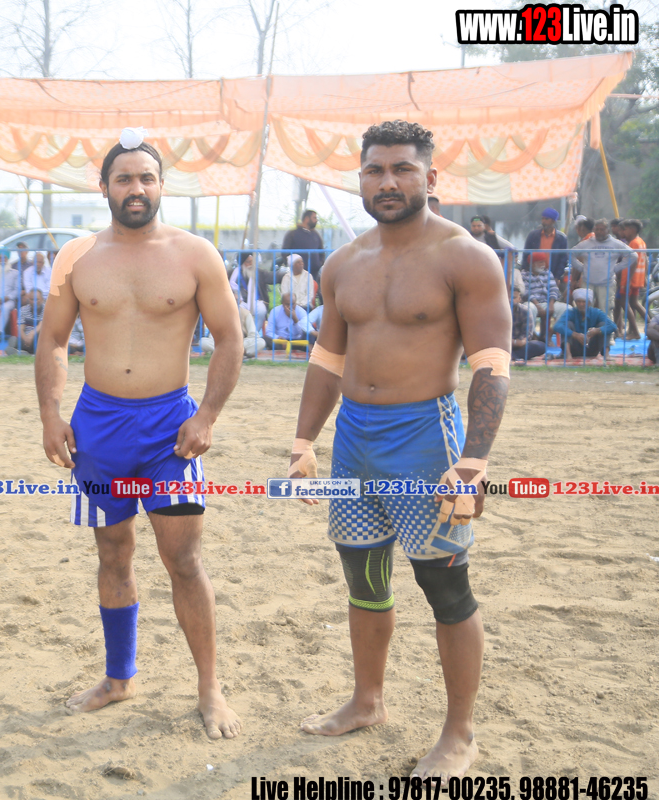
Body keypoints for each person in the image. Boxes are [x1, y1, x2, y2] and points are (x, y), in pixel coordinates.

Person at [289, 120, 511, 779]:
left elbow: (492, 366)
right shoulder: (342, 263)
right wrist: (303, 442)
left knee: (445, 586)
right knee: (363, 577)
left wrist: (473, 463)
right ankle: (368, 701)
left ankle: (460, 735)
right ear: (360, 179)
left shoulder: (465, 257)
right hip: (354, 440)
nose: (387, 182)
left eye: (402, 169)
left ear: (430, 178)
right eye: (375, 170)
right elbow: (328, 360)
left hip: (426, 439)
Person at [34, 130, 243, 740]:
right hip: (98, 428)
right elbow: (52, 340)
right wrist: (50, 413)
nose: (136, 188)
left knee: (183, 559)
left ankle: (210, 688)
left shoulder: (195, 254)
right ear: (104, 187)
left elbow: (230, 339)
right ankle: (118, 676)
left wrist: (207, 415)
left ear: (161, 186)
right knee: (113, 553)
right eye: (123, 178)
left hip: (168, 431)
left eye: (146, 178)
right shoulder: (77, 257)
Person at [572, 218, 633, 321]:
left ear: (607, 231)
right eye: (597, 229)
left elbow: (633, 255)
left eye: (602, 229)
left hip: (606, 283)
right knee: (585, 310)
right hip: (588, 282)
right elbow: (571, 254)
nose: (599, 232)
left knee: (606, 310)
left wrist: (616, 268)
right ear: (594, 230)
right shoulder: (587, 243)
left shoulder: (615, 243)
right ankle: (586, 330)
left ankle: (607, 331)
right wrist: (581, 268)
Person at [554, 288, 615, 360]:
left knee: (603, 325)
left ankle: (606, 354)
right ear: (575, 302)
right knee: (567, 324)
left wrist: (597, 330)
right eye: (578, 302)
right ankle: (568, 355)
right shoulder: (570, 312)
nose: (581, 304)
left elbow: (612, 326)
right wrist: (575, 335)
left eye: (584, 302)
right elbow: (557, 326)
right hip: (574, 349)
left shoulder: (597, 312)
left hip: (591, 348)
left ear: (589, 303)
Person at [618, 219, 647, 339]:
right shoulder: (641, 242)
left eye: (626, 229)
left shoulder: (633, 243)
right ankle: (643, 326)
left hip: (630, 278)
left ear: (632, 230)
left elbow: (632, 263)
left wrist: (627, 281)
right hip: (638, 278)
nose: (624, 232)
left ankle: (635, 331)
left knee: (623, 303)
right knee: (634, 303)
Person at [522, 208, 569, 282]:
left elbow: (563, 260)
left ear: (553, 221)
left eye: (546, 219)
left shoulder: (561, 238)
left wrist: (557, 277)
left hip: (552, 274)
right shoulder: (533, 235)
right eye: (542, 218)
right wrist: (526, 272)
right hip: (533, 274)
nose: (543, 221)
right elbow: (526, 255)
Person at [282, 208, 325, 281]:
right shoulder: (293, 234)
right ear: (307, 219)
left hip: (314, 274)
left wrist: (319, 264)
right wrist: (293, 266)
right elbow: (285, 252)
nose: (316, 220)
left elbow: (321, 251)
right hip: (297, 275)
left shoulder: (316, 235)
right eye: (314, 218)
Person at [510, 287, 545, 362]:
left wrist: (516, 342)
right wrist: (515, 342)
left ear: (519, 299)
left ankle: (512, 355)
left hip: (518, 346)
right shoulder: (498, 311)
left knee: (541, 346)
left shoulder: (525, 311)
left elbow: (526, 335)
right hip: (502, 345)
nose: (510, 300)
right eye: (508, 297)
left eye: (513, 298)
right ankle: (514, 355)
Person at [6, 289, 44, 354]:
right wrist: (25, 338)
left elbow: (41, 325)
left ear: (42, 300)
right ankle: (23, 351)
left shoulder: (46, 309)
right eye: (32, 299)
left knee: (39, 337)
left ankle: (20, 350)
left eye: (36, 299)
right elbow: (20, 328)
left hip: (39, 337)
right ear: (28, 299)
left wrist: (31, 334)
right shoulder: (23, 309)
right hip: (26, 338)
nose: (34, 302)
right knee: (16, 339)